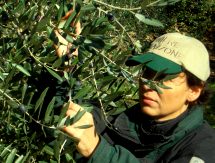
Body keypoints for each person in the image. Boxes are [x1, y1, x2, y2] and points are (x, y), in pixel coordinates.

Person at [63, 33, 215, 163]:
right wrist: (65, 67)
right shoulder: (118, 116)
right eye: (147, 72)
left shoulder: (202, 147)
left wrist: (98, 151)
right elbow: (57, 113)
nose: (148, 84)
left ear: (194, 91)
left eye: (163, 77)